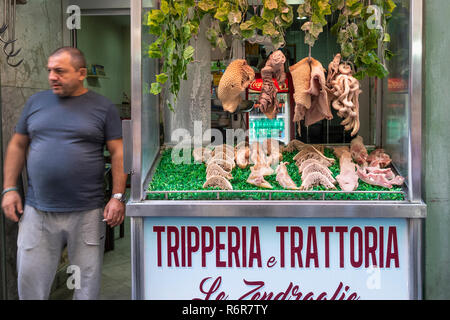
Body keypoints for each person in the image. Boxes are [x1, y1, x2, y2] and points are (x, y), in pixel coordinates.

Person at [1, 47, 128, 300]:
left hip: (87, 213)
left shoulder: (102, 107)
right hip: (38, 212)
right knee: (31, 287)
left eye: (59, 71)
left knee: (86, 288)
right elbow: (17, 144)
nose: (52, 77)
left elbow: (118, 153)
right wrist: (9, 188)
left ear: (81, 73)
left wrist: (117, 196)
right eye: (49, 70)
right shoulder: (36, 103)